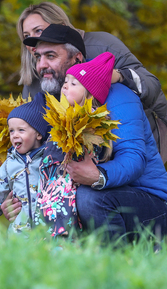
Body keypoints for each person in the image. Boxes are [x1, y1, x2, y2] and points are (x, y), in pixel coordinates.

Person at [27, 33, 167, 243]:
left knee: (88, 199)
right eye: (38, 58)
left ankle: (116, 264)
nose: (42, 64)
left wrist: (99, 176)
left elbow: (134, 158)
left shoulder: (119, 96)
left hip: (148, 202)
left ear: (78, 59)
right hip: (96, 194)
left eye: (50, 56)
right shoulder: (60, 108)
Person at [16, 2, 167, 164]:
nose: (33, 41)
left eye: (38, 30)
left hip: (141, 141)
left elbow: (150, 84)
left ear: (61, 25)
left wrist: (115, 75)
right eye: (27, 36)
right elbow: (30, 132)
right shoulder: (37, 74)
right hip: (88, 159)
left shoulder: (102, 46)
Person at [35, 53, 116, 238]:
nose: (65, 86)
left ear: (89, 93)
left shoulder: (90, 120)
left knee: (63, 230)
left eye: (73, 83)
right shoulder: (63, 117)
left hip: (66, 187)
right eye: (66, 81)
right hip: (50, 187)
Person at [0, 93, 50, 233]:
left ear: (38, 134)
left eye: (21, 130)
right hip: (19, 231)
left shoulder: (48, 160)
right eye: (11, 131)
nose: (15, 135)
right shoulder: (10, 163)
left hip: (47, 229)